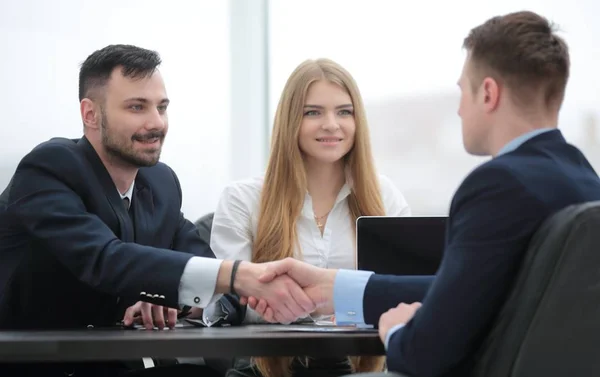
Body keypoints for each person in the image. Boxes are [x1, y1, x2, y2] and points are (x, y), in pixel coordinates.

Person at [247, 10, 600, 377]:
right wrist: (337, 288)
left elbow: (423, 354)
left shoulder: (497, 186)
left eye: (463, 90)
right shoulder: (585, 182)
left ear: (489, 93)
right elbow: (470, 287)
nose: (460, 109)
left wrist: (396, 330)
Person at [0, 44, 315, 377]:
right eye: (137, 107)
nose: (156, 123)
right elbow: (104, 259)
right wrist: (240, 276)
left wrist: (177, 297)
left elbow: (204, 269)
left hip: (112, 365)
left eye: (161, 107)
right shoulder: (49, 168)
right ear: (90, 114)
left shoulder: (160, 184)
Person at [209, 58, 410, 377]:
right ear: (290, 120)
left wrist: (302, 302)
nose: (331, 124)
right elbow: (230, 302)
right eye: (312, 112)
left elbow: (403, 294)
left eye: (344, 111)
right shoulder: (243, 199)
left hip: (363, 370)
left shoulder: (385, 196)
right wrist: (337, 303)